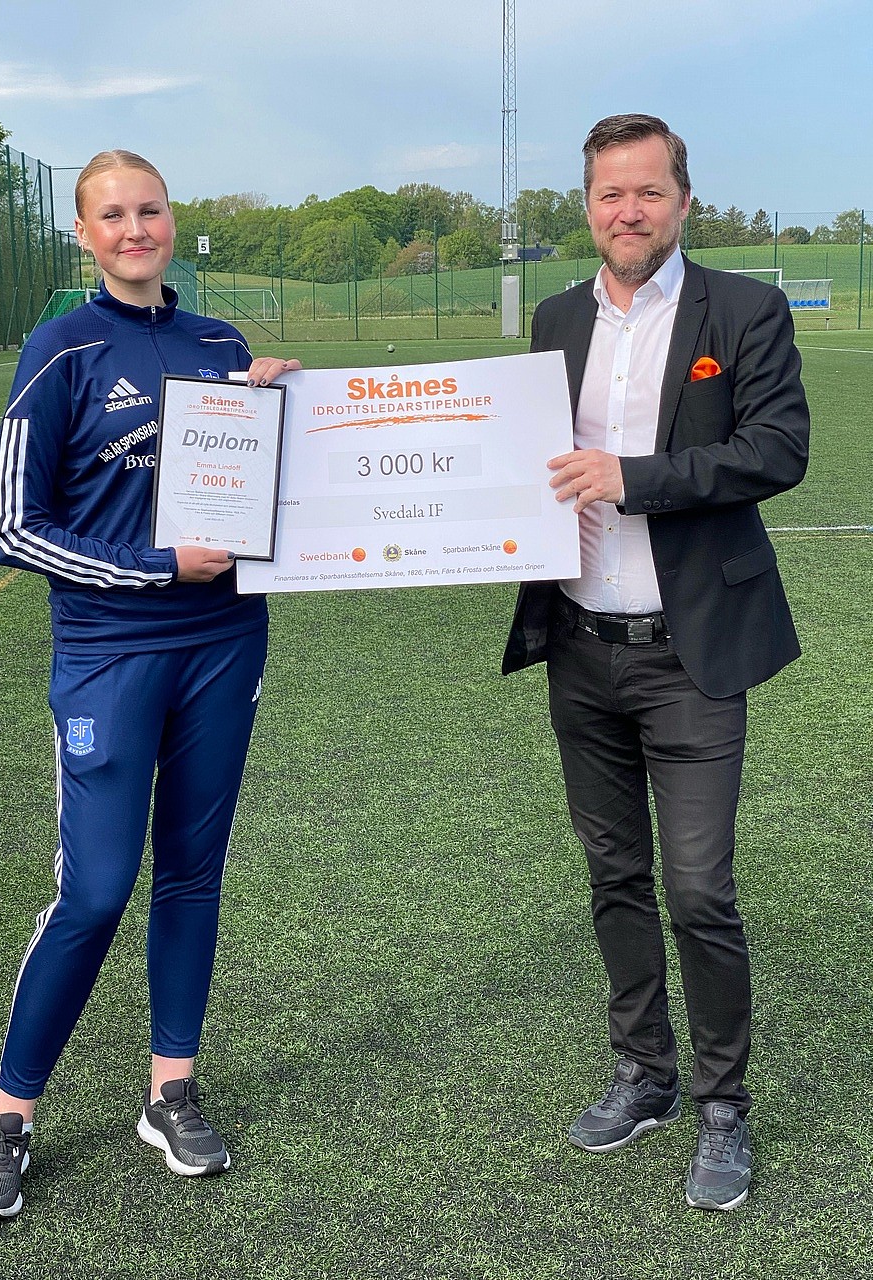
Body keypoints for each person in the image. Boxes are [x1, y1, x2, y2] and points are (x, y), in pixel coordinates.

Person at [0, 150, 299, 1219]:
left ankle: (170, 1091)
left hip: (225, 641)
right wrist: (155, 568)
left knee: (192, 873)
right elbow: (13, 527)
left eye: (149, 209)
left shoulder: (221, 346)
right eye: (113, 214)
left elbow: (266, 490)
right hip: (110, 650)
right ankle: (10, 1117)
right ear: (85, 233)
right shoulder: (62, 348)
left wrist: (287, 412)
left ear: (171, 220)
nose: (135, 228)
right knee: (97, 890)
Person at [503, 115, 809, 1211]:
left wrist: (632, 477)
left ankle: (724, 1104)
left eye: (647, 192)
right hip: (579, 647)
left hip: (692, 652)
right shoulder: (554, 317)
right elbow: (507, 451)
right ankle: (646, 1072)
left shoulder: (744, 310)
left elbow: (777, 449)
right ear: (587, 206)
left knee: (699, 889)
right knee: (614, 877)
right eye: (609, 194)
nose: (627, 212)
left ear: (683, 199)